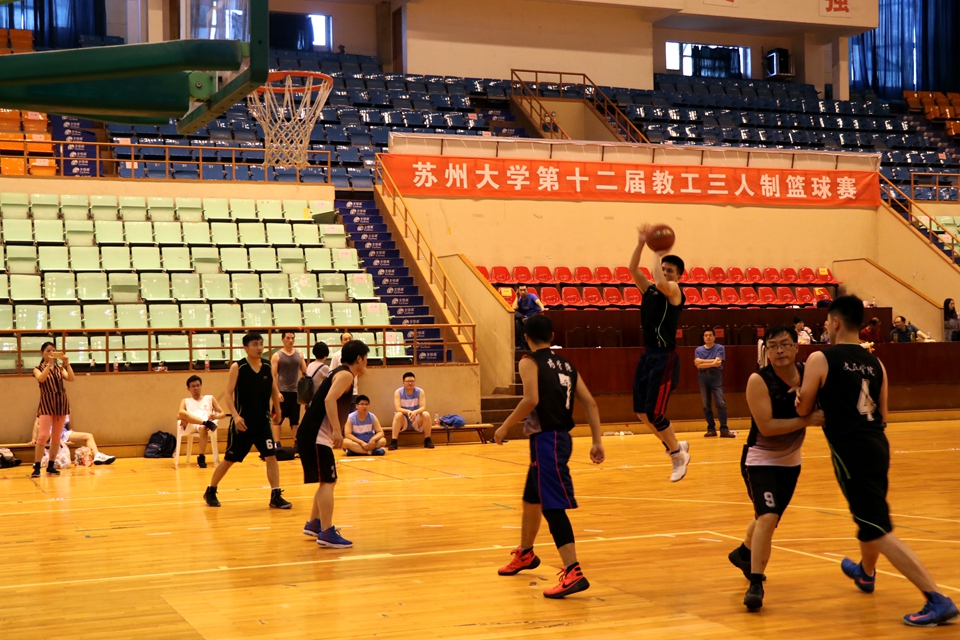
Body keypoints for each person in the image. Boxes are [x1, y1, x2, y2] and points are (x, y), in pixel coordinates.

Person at [796, 295, 958, 626]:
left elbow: (803, 410)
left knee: (878, 527)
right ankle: (866, 572)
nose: (826, 327)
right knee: (871, 516)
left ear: (835, 323)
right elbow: (883, 414)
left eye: (826, 322)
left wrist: (804, 400)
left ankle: (936, 598)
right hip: (878, 445)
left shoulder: (820, 358)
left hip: (851, 451)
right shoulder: (876, 363)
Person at [494, 314, 605, 598]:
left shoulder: (528, 361)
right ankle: (526, 553)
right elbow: (591, 403)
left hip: (548, 441)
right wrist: (597, 441)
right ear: (553, 337)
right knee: (532, 498)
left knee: (552, 506)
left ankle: (573, 571)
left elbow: (531, 399)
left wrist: (505, 426)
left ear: (526, 338)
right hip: (559, 439)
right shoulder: (567, 365)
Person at [727, 325, 824, 610]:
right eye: (773, 346)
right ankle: (755, 584)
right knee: (768, 517)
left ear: (796, 346)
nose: (780, 350)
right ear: (766, 352)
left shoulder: (808, 374)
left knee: (766, 519)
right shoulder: (758, 380)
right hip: (760, 459)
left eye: (785, 344)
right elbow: (767, 427)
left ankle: (743, 553)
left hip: (791, 463)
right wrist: (807, 420)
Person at [628, 224, 690, 482]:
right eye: (663, 268)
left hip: (665, 357)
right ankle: (676, 446)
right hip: (648, 355)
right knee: (642, 413)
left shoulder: (675, 291)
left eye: (669, 270)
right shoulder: (650, 291)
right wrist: (642, 243)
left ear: (678, 276)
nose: (664, 272)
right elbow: (633, 270)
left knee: (654, 412)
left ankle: (676, 454)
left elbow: (661, 283)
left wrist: (656, 252)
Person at [203, 332, 291, 510]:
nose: (259, 348)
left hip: (262, 423)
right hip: (242, 424)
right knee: (229, 459)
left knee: (271, 456)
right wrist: (235, 416)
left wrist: (278, 409)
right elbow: (228, 394)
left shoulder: (267, 366)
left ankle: (275, 495)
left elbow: (274, 389)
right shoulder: (238, 367)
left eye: (261, 344)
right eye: (255, 344)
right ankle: (211, 490)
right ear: (246, 348)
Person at [298, 339, 369, 548]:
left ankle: (314, 522)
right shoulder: (346, 374)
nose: (367, 363)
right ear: (359, 359)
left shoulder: (339, 372)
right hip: (315, 435)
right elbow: (329, 400)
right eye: (366, 358)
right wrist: (338, 430)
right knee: (328, 482)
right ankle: (327, 532)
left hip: (313, 434)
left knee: (327, 481)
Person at [32, 342, 75, 478]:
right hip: (47, 404)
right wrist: (49, 364)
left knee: (56, 436)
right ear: (42, 353)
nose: (51, 353)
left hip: (61, 403)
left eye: (53, 351)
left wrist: (67, 364)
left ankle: (51, 465)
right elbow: (41, 378)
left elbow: (71, 378)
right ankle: (37, 466)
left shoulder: (59, 368)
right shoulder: (38, 368)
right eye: (48, 351)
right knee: (43, 435)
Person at [177, 375, 227, 468]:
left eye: (198, 385)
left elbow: (223, 414)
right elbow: (179, 415)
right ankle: (205, 422)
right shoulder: (186, 401)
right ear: (188, 388)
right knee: (181, 412)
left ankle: (201, 457)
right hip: (191, 424)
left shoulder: (210, 398)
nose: (196, 388)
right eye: (193, 386)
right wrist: (184, 418)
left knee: (203, 428)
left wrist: (215, 416)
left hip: (204, 426)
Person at [29, 415, 116, 465]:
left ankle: (97, 456)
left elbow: (69, 426)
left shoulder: (66, 408)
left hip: (63, 433)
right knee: (50, 434)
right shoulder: (45, 406)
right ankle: (42, 461)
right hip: (49, 433)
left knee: (89, 436)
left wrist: (71, 435)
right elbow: (37, 424)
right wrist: (34, 439)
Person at [694, 328, 733, 438]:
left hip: (716, 376)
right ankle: (711, 429)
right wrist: (712, 362)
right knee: (706, 405)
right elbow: (697, 365)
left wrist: (702, 362)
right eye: (706, 335)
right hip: (702, 376)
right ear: (703, 337)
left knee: (720, 403)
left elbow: (718, 363)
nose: (708, 337)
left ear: (714, 337)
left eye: (710, 335)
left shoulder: (720, 347)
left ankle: (724, 429)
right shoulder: (698, 350)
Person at [270, 331, 307, 441]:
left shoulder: (299, 354)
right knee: (277, 419)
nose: (290, 340)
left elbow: (305, 372)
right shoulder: (277, 356)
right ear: (283, 339)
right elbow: (273, 376)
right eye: (288, 338)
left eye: (292, 338)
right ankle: (277, 443)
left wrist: (304, 390)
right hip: (282, 391)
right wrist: (277, 392)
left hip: (295, 392)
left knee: (295, 421)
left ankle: (296, 443)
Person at [388, 372, 434, 450]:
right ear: (403, 383)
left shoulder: (420, 391)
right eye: (408, 381)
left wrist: (415, 412)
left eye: (412, 381)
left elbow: (423, 407)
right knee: (398, 414)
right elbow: (397, 408)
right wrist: (408, 412)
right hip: (404, 420)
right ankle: (394, 441)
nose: (410, 383)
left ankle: (427, 439)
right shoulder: (398, 392)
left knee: (426, 414)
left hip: (416, 419)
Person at [329, 332, 359, 402]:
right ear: (341, 342)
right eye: (345, 339)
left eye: (350, 339)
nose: (348, 341)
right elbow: (331, 372)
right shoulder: (336, 355)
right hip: (340, 391)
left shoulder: (358, 355)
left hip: (354, 391)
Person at [513, 284, 545, 349]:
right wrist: (516, 296)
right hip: (525, 317)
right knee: (515, 317)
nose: (523, 292)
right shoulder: (519, 300)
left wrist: (543, 311)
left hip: (534, 316)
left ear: (527, 291)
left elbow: (539, 303)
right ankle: (522, 344)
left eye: (524, 290)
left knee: (520, 321)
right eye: (521, 290)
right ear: (518, 291)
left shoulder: (532, 296)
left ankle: (524, 319)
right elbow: (514, 307)